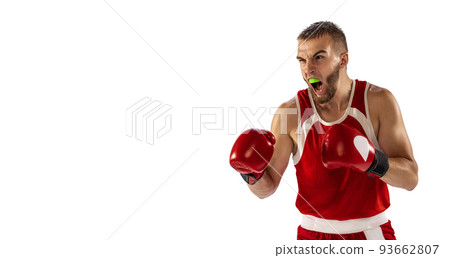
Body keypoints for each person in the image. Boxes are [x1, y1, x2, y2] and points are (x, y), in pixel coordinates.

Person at [229, 21, 418, 240]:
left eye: (318, 57)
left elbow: (411, 179)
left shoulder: (377, 102)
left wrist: (371, 159)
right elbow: (267, 189)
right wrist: (251, 173)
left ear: (343, 60)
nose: (308, 69)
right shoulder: (290, 113)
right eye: (302, 60)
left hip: (371, 232)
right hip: (312, 236)